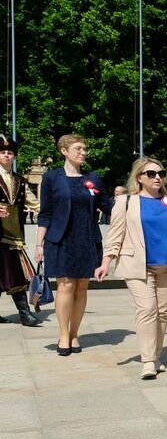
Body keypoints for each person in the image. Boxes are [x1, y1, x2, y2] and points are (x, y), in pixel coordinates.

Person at [95, 158, 167, 379]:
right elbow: (115, 236)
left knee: (162, 313)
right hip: (138, 266)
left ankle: (156, 355)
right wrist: (105, 262)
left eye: (160, 172)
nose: (157, 177)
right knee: (147, 310)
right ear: (139, 177)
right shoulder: (126, 202)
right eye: (151, 173)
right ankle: (148, 360)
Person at [35, 135, 110, 355]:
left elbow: (107, 205)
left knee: (82, 287)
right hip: (61, 239)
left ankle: (75, 333)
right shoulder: (51, 178)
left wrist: (133, 199)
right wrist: (39, 244)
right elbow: (45, 213)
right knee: (66, 285)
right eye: (78, 148)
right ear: (64, 151)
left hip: (87, 238)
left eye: (85, 149)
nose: (83, 152)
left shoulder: (94, 178)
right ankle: (63, 335)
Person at [0, 134, 38, 326]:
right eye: (3, 152)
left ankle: (25, 313)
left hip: (14, 233)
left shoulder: (19, 180)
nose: (6, 155)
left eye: (10, 153)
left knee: (15, 271)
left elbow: (35, 203)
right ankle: (24, 314)